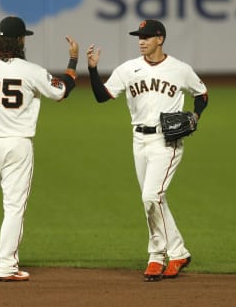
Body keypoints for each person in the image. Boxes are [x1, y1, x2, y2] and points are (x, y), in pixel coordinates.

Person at [0, 16, 79, 281]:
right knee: (14, 207)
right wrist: (73, 61)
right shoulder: (31, 70)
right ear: (20, 40)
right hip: (18, 145)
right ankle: (7, 267)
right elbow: (62, 91)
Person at [86, 20, 208, 281]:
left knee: (151, 196)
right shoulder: (128, 69)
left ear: (160, 39)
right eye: (139, 37)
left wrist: (195, 116)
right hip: (138, 141)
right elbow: (101, 96)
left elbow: (202, 94)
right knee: (153, 200)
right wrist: (93, 69)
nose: (141, 41)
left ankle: (159, 255)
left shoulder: (180, 69)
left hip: (167, 142)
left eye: (147, 36)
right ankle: (177, 253)